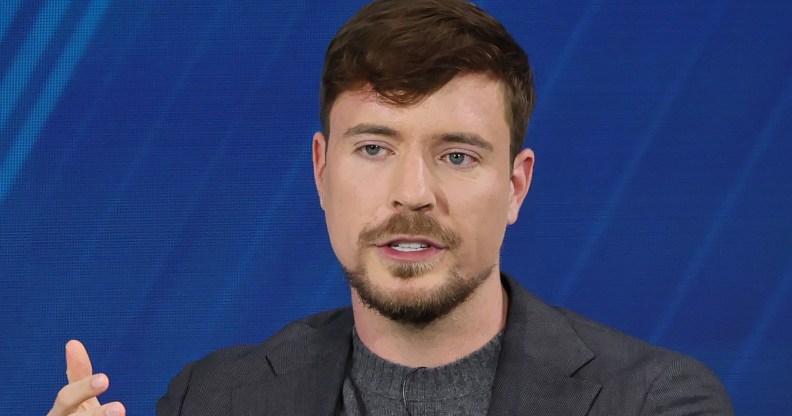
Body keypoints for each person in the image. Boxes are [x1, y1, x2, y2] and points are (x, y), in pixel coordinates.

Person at [49, 0, 734, 415]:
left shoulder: (654, 403)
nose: (412, 193)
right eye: (375, 148)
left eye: (457, 155)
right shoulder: (212, 399)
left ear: (517, 186)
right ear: (321, 172)